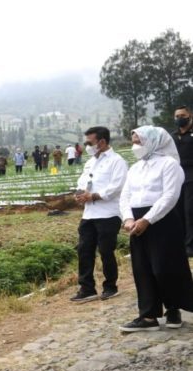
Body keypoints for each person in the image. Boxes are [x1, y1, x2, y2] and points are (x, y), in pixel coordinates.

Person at [119, 126, 193, 332]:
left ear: (153, 141)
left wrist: (147, 220)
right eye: (133, 141)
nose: (135, 146)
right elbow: (125, 196)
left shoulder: (169, 165)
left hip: (163, 220)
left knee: (165, 267)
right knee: (142, 268)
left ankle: (173, 308)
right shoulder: (135, 168)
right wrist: (127, 218)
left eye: (138, 141)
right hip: (136, 221)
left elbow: (169, 197)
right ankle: (148, 315)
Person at [71, 127, 128, 303]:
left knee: (106, 250)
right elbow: (82, 181)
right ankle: (87, 288)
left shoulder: (117, 161)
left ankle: (110, 286)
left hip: (108, 213)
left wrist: (94, 196)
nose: (86, 146)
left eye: (89, 142)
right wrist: (79, 193)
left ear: (102, 142)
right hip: (89, 214)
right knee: (84, 249)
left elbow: (117, 186)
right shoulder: (90, 162)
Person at [172, 105, 193, 256]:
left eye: (183, 115)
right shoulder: (172, 136)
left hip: (191, 176)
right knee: (177, 211)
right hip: (176, 177)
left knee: (189, 210)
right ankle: (180, 243)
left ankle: (190, 245)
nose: (180, 118)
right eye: (177, 116)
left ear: (190, 115)